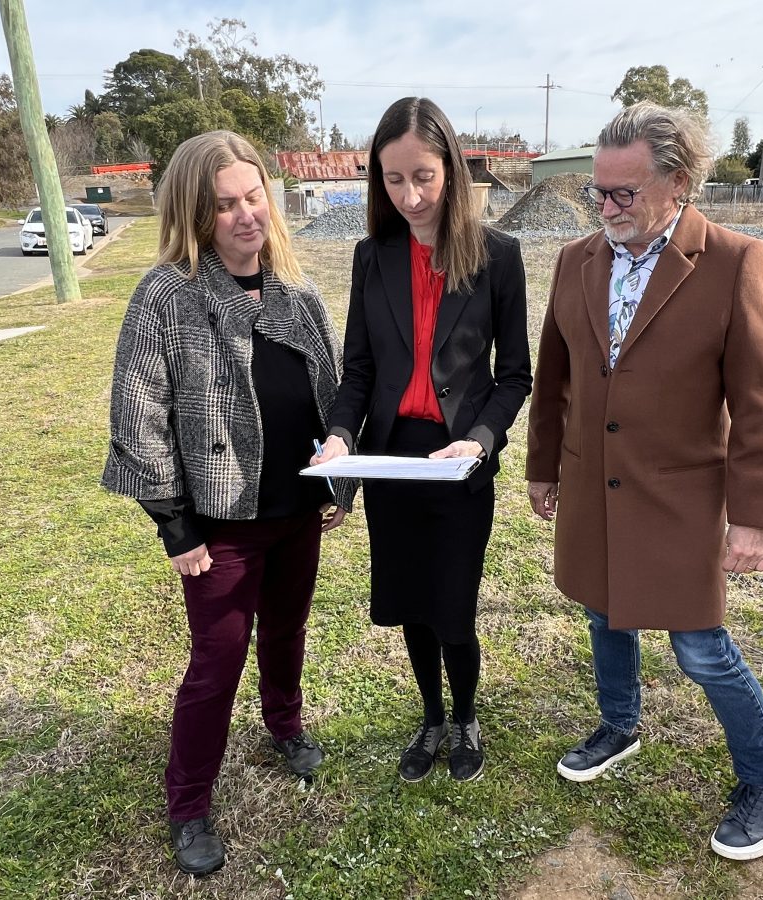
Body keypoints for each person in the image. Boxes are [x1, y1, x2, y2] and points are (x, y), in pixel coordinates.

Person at [525, 102, 763, 861]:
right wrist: (543, 465)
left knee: (700, 648)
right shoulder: (577, 259)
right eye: (597, 193)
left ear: (678, 182)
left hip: (679, 494)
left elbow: (757, 404)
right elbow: (556, 377)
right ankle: (620, 724)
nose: (607, 209)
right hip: (589, 482)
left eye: (624, 194)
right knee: (602, 611)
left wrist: (752, 518)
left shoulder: (737, 263)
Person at [101, 131, 353, 877]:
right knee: (215, 661)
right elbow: (137, 416)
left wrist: (340, 481)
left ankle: (285, 724)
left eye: (253, 198)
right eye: (224, 205)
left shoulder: (297, 294)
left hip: (295, 511)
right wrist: (174, 525)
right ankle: (188, 803)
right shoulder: (167, 295)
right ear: (194, 213)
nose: (246, 216)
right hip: (219, 526)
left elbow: (334, 397)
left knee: (287, 630)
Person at [312, 97, 532, 783]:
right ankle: (431, 718)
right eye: (393, 179)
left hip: (459, 463)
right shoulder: (371, 258)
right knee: (410, 600)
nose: (409, 196)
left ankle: (465, 715)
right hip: (392, 461)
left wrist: (480, 440)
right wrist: (342, 438)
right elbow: (360, 370)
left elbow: (514, 376)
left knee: (454, 607)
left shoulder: (499, 256)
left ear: (453, 171)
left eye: (424, 177)